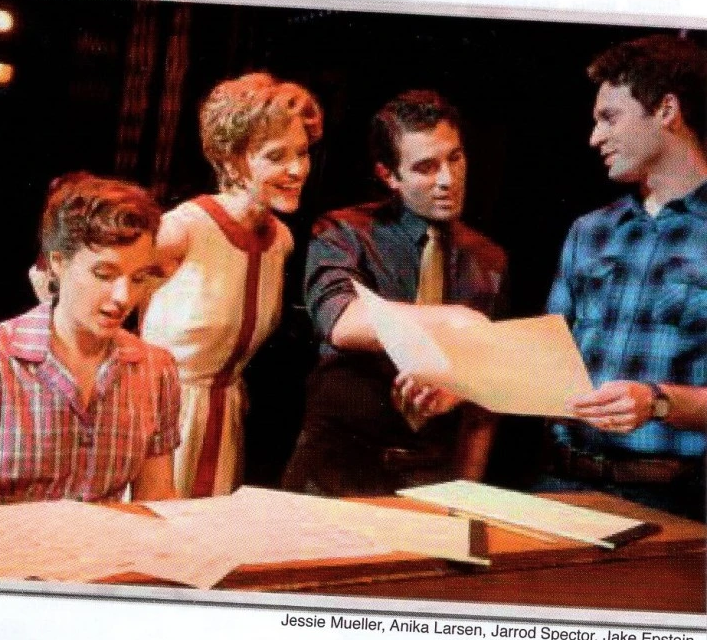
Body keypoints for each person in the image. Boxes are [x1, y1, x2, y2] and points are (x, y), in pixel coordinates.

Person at [282, 90, 508, 496]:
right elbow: (341, 321)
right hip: (337, 471)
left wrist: (465, 493)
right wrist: (455, 319)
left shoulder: (489, 260)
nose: (448, 180)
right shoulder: (344, 232)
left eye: (455, 158)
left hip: (430, 475)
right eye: (425, 167)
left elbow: (484, 407)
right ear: (389, 175)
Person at [541, 34, 707, 520]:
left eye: (609, 118)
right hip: (563, 485)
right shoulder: (589, 232)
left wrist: (658, 403)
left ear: (667, 111)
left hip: (679, 501)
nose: (594, 138)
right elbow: (546, 362)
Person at [141, 72, 323, 497]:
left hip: (225, 424)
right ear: (232, 162)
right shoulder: (183, 229)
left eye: (302, 153)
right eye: (276, 156)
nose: (297, 169)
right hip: (158, 422)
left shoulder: (280, 241)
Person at [0, 173, 180, 503]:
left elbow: (157, 499)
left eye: (138, 278)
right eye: (105, 274)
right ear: (58, 262)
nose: (123, 296)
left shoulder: (156, 369)